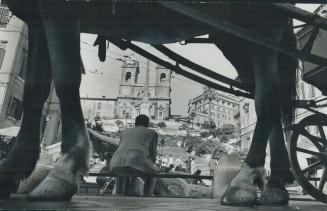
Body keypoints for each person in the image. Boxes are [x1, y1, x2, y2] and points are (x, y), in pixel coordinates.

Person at [109, 115, 158, 196]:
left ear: (135, 123)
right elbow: (153, 151)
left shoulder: (124, 132)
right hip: (136, 159)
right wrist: (152, 164)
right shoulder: (152, 133)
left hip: (116, 161)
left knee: (120, 174)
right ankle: (147, 196)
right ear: (147, 123)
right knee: (152, 175)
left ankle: (118, 196)